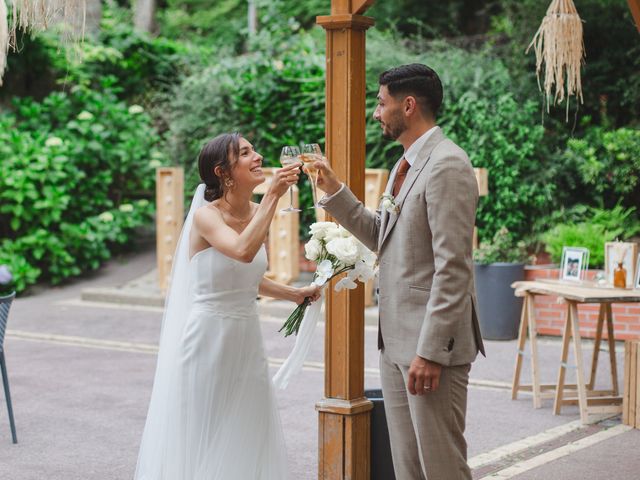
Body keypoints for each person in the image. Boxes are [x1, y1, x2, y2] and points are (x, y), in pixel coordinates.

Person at [314, 64, 485, 480]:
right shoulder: (403, 166)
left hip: (429, 350)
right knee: (407, 468)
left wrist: (430, 351)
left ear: (408, 106)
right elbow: (383, 235)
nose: (377, 112)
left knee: (441, 467)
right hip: (394, 344)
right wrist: (335, 191)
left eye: (381, 102)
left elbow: (453, 267)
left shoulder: (448, 164)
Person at [134, 132, 320, 480]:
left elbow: (244, 277)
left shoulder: (255, 210)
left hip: (246, 337)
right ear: (223, 172)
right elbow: (241, 252)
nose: (259, 157)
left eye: (255, 150)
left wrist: (294, 294)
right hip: (207, 339)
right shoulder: (207, 217)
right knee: (205, 428)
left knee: (246, 428)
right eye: (246, 153)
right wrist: (274, 196)